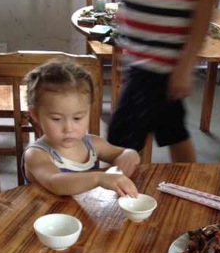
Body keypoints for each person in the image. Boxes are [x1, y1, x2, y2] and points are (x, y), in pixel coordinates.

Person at [52, 0, 220, 163]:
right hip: (143, 57)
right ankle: (188, 181)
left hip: (158, 64)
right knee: (173, 131)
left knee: (120, 140)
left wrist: (185, 66)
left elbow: (206, 2)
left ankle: (118, 185)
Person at [23, 58, 140, 196]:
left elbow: (121, 153)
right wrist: (99, 178)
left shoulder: (93, 144)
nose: (68, 128)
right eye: (56, 119)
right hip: (46, 210)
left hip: (84, 209)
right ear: (35, 115)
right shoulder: (36, 154)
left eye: (77, 118)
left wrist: (129, 154)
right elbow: (55, 182)